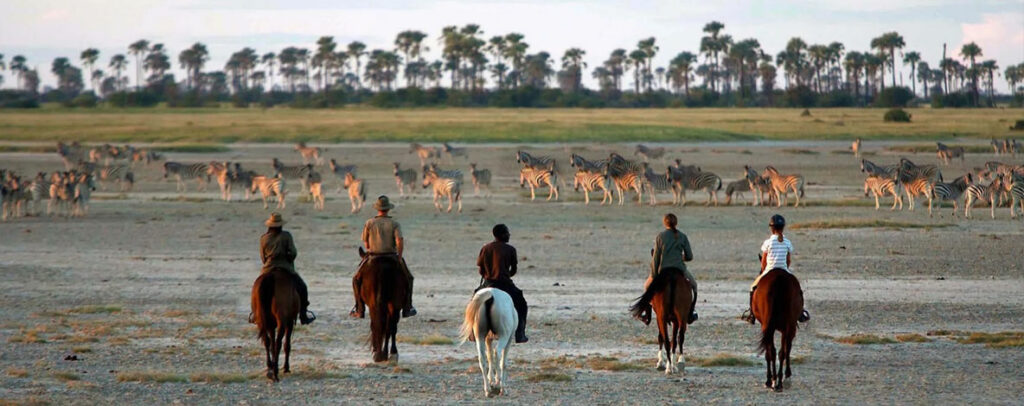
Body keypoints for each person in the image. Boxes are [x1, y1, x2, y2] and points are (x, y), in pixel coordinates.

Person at [350, 195, 416, 318]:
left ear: (377, 209)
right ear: (388, 209)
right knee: (409, 278)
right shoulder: (394, 223)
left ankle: (359, 309)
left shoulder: (369, 223)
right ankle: (408, 307)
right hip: (391, 255)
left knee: (356, 279)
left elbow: (366, 243)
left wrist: (371, 248)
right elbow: (399, 241)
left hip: (373, 256)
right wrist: (399, 256)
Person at [742, 214, 810, 324]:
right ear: (783, 228)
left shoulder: (768, 242)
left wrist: (763, 270)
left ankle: (752, 314)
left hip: (769, 269)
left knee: (753, 287)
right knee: (798, 289)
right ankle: (800, 312)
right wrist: (784, 267)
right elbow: (788, 260)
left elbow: (764, 261)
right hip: (784, 269)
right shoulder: (787, 242)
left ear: (771, 228)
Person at [635, 213, 698, 325]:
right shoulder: (682, 236)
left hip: (663, 269)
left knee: (646, 286)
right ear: (676, 223)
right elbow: (689, 256)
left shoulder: (660, 236)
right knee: (694, 286)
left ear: (665, 223)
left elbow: (656, 258)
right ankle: (691, 312)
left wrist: (654, 274)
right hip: (679, 268)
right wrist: (680, 258)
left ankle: (647, 314)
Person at [258, 212, 315, 325]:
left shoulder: (263, 238)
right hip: (285, 267)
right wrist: (288, 259)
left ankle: (256, 314)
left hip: (268, 268)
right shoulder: (286, 236)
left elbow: (263, 257)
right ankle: (303, 314)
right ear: (280, 225)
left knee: (258, 289)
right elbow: (293, 253)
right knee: (302, 288)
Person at [476, 224, 529, 343]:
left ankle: (472, 333)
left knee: (473, 301)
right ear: (501, 235)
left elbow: (480, 270)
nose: (509, 235)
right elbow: (513, 270)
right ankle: (520, 333)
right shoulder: (510, 249)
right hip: (505, 284)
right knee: (521, 304)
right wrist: (505, 274)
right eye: (507, 233)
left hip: (488, 283)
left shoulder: (485, 248)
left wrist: (488, 274)